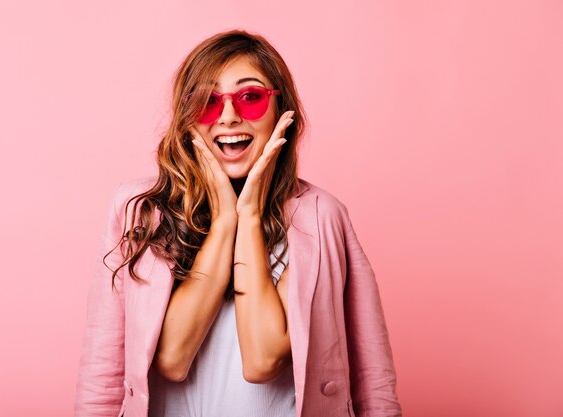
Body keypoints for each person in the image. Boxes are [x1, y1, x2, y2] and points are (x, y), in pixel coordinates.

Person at [74, 29, 402, 417]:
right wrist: (225, 220)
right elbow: (162, 362)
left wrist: (248, 218)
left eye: (250, 98)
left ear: (283, 110)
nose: (228, 116)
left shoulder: (320, 215)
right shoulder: (139, 209)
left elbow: (266, 361)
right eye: (207, 102)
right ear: (186, 117)